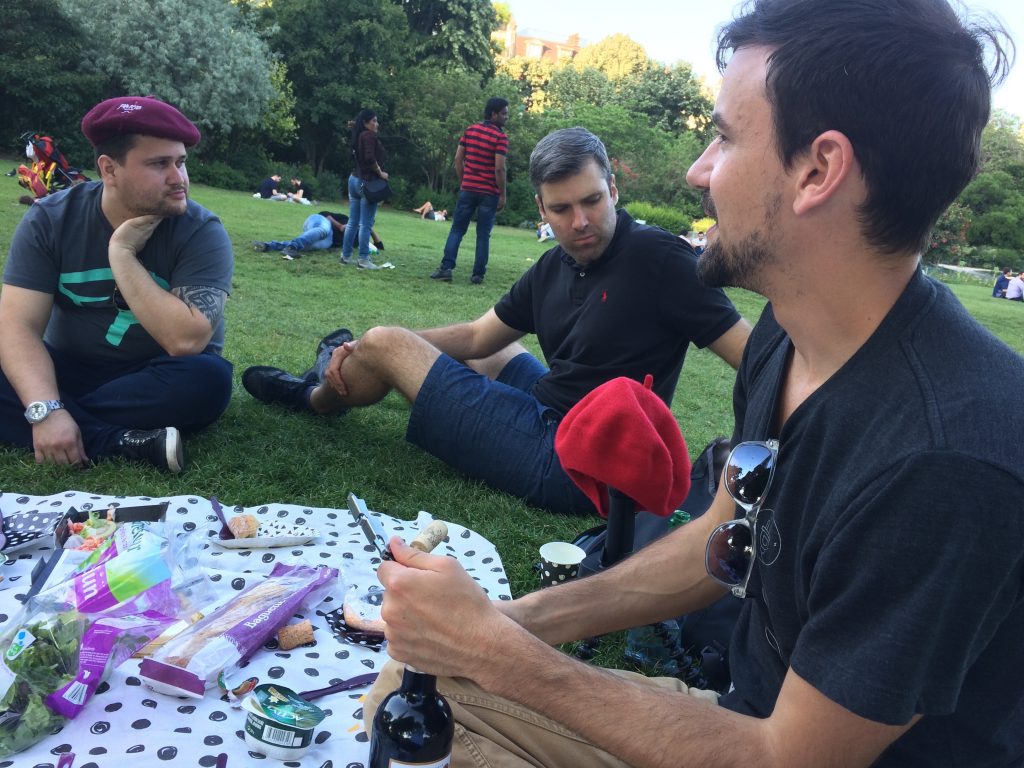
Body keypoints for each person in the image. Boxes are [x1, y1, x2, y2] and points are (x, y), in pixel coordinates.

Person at [360, 2, 1024, 766]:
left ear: (818, 170)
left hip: (773, 749)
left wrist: (503, 657)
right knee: (411, 693)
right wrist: (508, 622)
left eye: (725, 137)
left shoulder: (947, 458)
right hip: (740, 718)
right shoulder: (786, 332)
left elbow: (785, 757)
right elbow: (722, 537)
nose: (697, 170)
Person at [243, 127, 750, 515]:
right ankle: (349, 357)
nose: (580, 222)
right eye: (562, 208)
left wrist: (383, 347)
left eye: (592, 201)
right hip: (553, 409)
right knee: (493, 348)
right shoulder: (555, 264)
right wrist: (376, 349)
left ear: (613, 190)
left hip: (579, 463)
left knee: (384, 342)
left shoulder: (659, 259)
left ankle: (311, 397)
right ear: (541, 210)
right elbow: (478, 336)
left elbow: (754, 355)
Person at [0, 96, 234, 474]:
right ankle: (118, 440)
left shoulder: (201, 230)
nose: (179, 178)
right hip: (67, 367)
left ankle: (63, 419)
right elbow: (17, 327)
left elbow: (186, 341)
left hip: (157, 376)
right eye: (160, 164)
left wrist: (122, 253)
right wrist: (46, 409)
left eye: (181, 162)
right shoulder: (51, 220)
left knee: (209, 380)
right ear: (109, 170)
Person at [430, 97, 510, 284]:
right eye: (504, 114)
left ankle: (446, 268)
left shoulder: (470, 130)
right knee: (483, 235)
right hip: (489, 193)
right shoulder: (500, 137)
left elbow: (458, 159)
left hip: (468, 189)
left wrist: (464, 181)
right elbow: (499, 168)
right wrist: (503, 195)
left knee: (457, 229)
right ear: (494, 114)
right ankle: (477, 274)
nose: (507, 118)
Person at [340, 109, 389, 271]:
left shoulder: (359, 134)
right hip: (366, 183)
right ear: (366, 123)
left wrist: (356, 125)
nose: (377, 124)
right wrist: (380, 172)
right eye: (374, 121)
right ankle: (363, 259)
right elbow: (369, 157)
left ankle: (346, 256)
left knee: (353, 222)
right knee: (366, 224)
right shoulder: (368, 136)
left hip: (353, 180)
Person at [252, 211, 350, 260]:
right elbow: (325, 214)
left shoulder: (357, 239)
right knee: (323, 230)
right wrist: (340, 226)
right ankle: (292, 247)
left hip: (329, 240)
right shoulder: (347, 219)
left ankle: (268, 246)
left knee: (311, 246)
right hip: (320, 221)